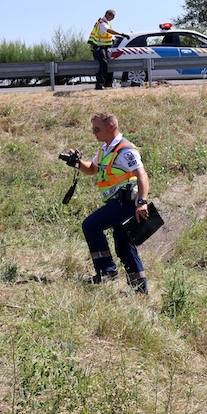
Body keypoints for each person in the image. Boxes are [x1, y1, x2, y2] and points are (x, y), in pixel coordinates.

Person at [65, 111, 151, 294]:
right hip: (118, 203)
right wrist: (77, 162)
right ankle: (140, 290)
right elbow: (92, 169)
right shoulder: (106, 149)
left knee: (91, 225)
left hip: (125, 203)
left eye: (97, 129)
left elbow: (142, 175)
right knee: (124, 246)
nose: (93, 133)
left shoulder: (125, 150)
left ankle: (106, 271)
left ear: (110, 127)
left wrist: (142, 202)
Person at [88, 9, 129, 90]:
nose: (113, 19)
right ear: (107, 15)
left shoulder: (106, 22)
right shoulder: (102, 23)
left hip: (105, 47)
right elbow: (109, 31)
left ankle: (107, 83)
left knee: (110, 63)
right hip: (98, 47)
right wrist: (121, 34)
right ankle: (100, 85)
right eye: (112, 17)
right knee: (103, 64)